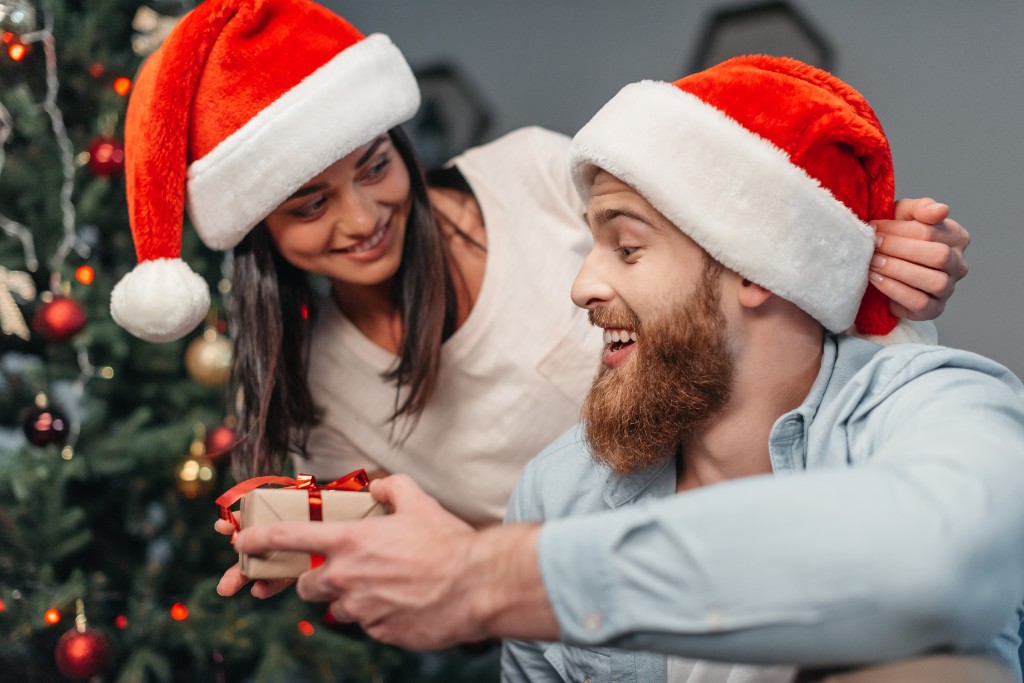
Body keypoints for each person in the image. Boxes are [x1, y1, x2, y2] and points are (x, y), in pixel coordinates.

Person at [229, 56, 1024, 682]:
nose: (579, 282)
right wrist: (416, 566)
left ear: (753, 261)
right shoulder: (556, 492)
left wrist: (487, 573)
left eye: (626, 246)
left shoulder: (934, 400)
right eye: (308, 204)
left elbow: (943, 559)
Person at [111, 0, 967, 533]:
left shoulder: (529, 172)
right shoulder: (324, 388)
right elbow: (445, 564)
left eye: (375, 165)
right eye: (308, 204)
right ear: (259, 233)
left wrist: (855, 256)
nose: (363, 217)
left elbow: (727, 256)